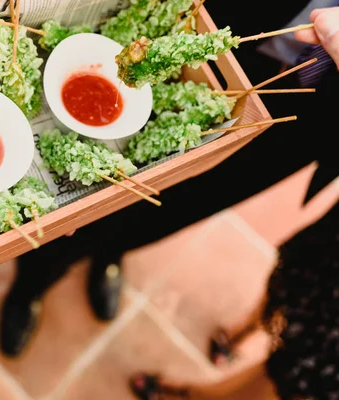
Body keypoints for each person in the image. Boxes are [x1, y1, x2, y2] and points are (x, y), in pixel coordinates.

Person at [0, 0, 339, 359]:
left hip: (315, 108)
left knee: (185, 201)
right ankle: (33, 280)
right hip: (223, 20)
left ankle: (111, 249)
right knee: (103, 180)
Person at [128, 5, 339, 398]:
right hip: (237, 30)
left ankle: (110, 251)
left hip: (312, 114)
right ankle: (44, 269)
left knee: (193, 198)